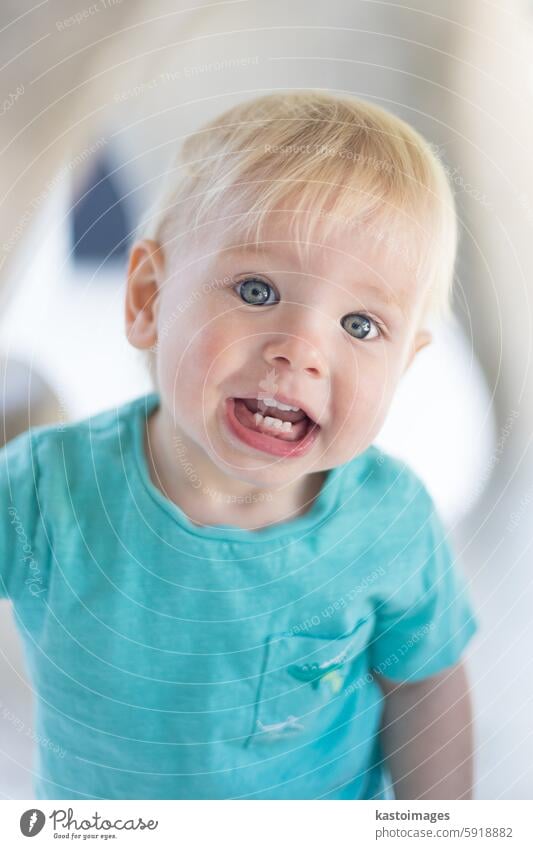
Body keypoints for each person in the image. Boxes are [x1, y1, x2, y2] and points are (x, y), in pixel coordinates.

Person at [0, 91, 478, 800]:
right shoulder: (48, 486)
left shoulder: (390, 521)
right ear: (146, 300)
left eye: (359, 323)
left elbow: (424, 687)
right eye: (256, 289)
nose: (300, 349)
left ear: (402, 365)